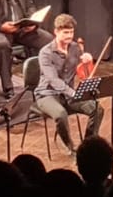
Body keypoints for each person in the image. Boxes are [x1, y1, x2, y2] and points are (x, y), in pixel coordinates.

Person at [34, 14, 104, 155]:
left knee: (97, 109)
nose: (69, 36)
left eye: (71, 32)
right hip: (47, 95)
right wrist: (73, 93)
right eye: (65, 32)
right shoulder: (45, 53)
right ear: (56, 32)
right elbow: (53, 80)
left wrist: (88, 61)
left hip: (69, 95)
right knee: (61, 114)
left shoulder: (75, 48)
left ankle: (88, 145)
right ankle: (70, 148)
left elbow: (83, 71)